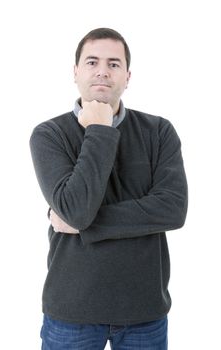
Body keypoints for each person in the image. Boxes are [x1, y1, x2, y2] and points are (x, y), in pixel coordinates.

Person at [30, 27, 188, 350]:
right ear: (75, 72)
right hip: (72, 313)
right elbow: (77, 209)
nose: (103, 70)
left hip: (144, 313)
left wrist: (83, 226)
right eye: (92, 62)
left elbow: (173, 208)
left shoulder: (159, 132)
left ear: (127, 76)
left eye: (114, 64)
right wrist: (100, 128)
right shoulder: (49, 135)